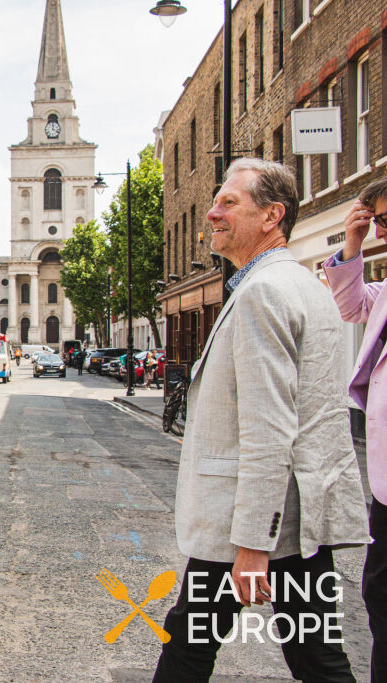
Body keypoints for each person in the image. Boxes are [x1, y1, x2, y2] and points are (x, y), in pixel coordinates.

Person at [153, 159, 370, 681]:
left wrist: (252, 546)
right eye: (216, 202)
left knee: (188, 646)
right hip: (297, 516)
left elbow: (269, 427)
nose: (212, 212)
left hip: (253, 524)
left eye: (230, 202)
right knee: (317, 656)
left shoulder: (264, 294)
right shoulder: (302, 284)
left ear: (272, 215)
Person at [322, 175, 387, 679]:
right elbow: (350, 306)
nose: (382, 229)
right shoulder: (384, 292)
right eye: (380, 220)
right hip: (385, 485)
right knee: (379, 596)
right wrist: (352, 243)